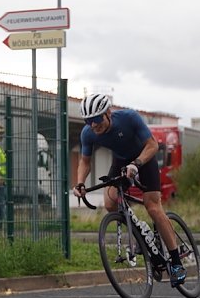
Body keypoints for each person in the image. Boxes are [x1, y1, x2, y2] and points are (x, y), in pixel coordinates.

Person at [71, 93, 187, 286]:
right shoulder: (88, 133)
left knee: (153, 207)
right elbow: (85, 162)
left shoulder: (129, 118)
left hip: (144, 158)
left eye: (97, 119)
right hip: (121, 161)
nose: (93, 125)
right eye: (88, 121)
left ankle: (176, 262)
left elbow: (152, 145)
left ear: (108, 113)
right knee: (110, 203)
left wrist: (136, 164)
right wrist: (80, 183)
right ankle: (141, 234)